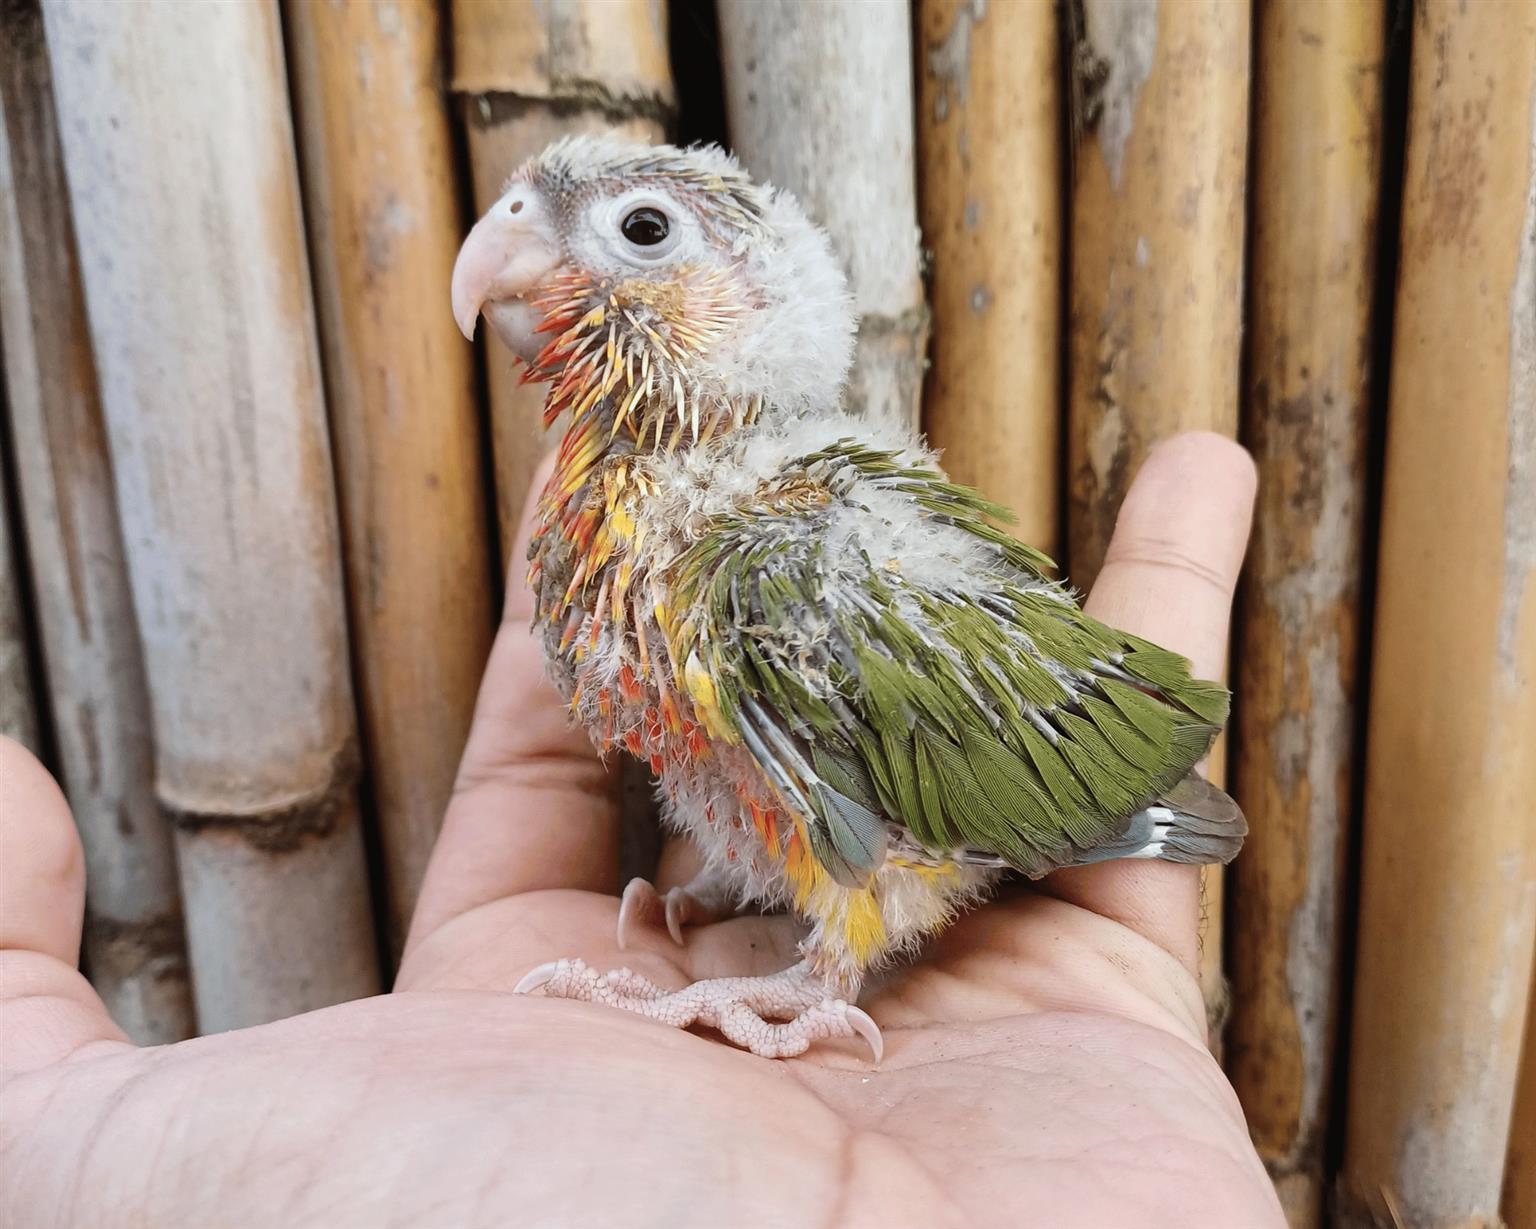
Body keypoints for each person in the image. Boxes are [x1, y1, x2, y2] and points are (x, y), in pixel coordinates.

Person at [0, 433, 1284, 1227]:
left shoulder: (766, 579)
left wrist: (809, 978)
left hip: (973, 810)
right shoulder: (627, 538)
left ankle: (819, 954)